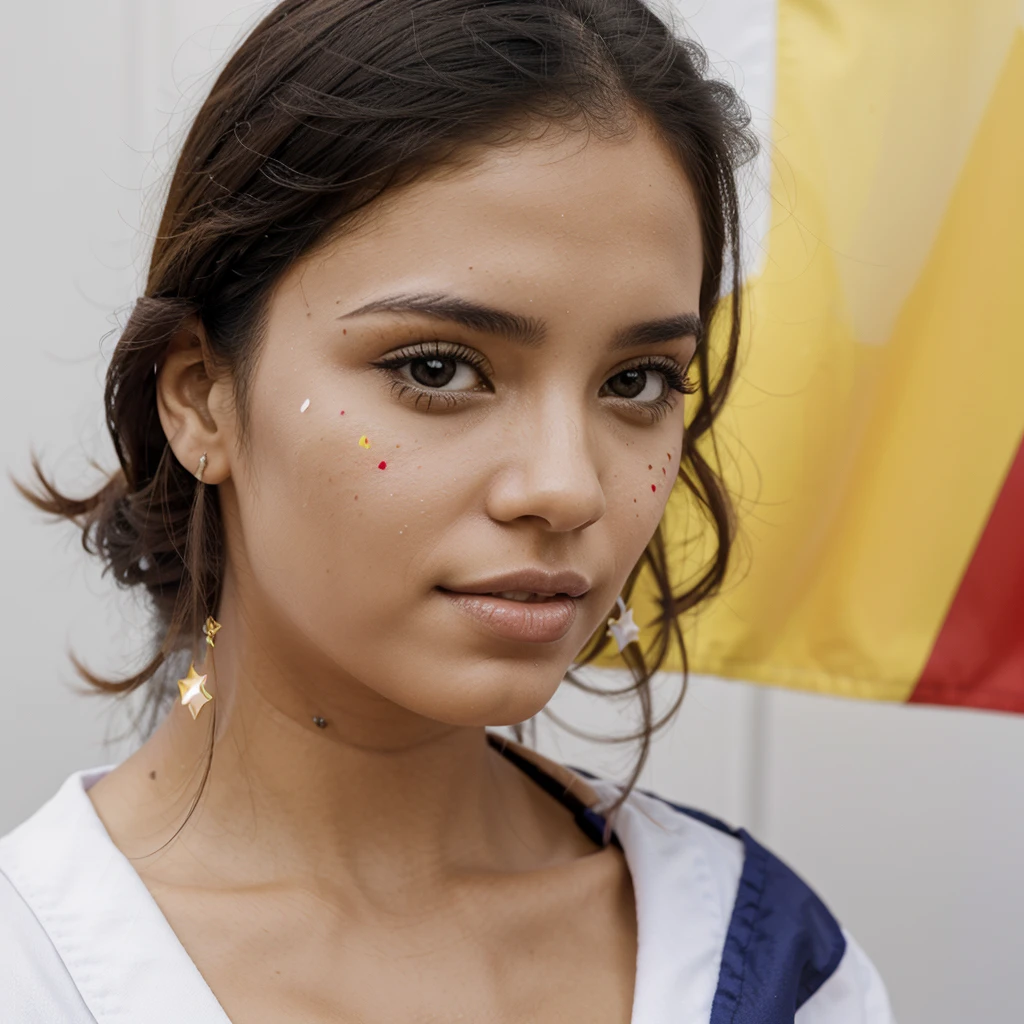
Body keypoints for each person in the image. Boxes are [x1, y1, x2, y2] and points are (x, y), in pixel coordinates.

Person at [0, 1, 896, 1020]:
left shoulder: (777, 966)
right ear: (202, 395)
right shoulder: (32, 967)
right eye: (438, 367)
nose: (566, 486)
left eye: (638, 381)